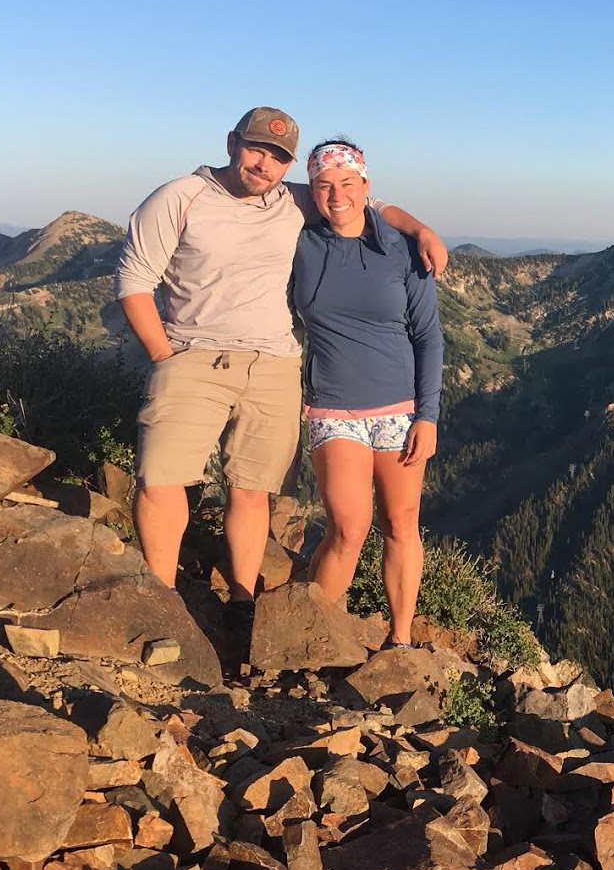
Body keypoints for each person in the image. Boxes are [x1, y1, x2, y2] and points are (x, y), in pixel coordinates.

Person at [114, 107, 447, 633]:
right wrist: (163, 355)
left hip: (290, 371)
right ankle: (168, 608)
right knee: (163, 480)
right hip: (208, 361)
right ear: (231, 144)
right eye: (255, 148)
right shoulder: (191, 199)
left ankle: (253, 608)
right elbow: (133, 280)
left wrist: (420, 226)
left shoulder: (323, 215)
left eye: (278, 156)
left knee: (256, 491)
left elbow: (363, 204)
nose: (265, 163)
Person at [292, 139, 442, 649]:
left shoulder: (402, 250)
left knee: (402, 524)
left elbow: (428, 335)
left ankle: (399, 642)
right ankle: (302, 637)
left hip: (401, 408)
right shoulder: (298, 240)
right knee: (348, 529)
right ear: (311, 190)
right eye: (324, 186)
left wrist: (430, 415)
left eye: (347, 184)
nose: (336, 195)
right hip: (333, 406)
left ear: (366, 187)